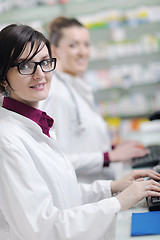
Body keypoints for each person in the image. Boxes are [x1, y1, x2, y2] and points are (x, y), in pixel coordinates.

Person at [1, 23, 160, 240]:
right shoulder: (7, 141)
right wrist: (118, 201)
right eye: (25, 66)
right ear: (2, 78)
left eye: (45, 63)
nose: (40, 74)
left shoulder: (36, 125)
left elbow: (63, 195)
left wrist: (112, 187)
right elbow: (41, 229)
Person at [39, 16, 149, 183]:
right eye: (73, 45)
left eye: (86, 44)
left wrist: (114, 148)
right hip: (83, 195)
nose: (82, 52)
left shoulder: (76, 86)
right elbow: (57, 159)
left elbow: (82, 142)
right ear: (54, 51)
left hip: (102, 186)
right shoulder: (55, 94)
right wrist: (109, 156)